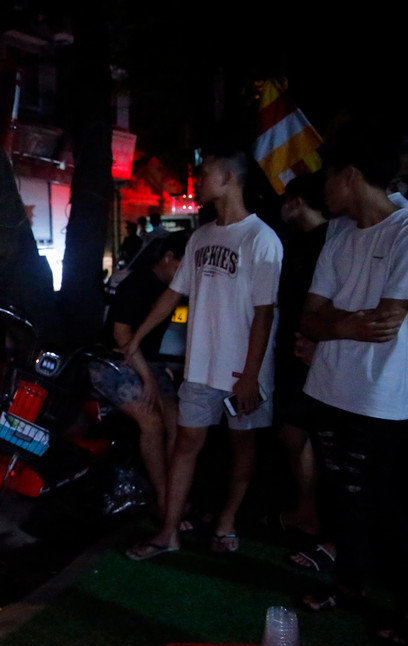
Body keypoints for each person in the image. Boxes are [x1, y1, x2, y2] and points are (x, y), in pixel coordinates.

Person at [123, 145, 283, 560]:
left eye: (206, 171)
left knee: (242, 443)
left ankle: (227, 520)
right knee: (186, 443)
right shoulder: (201, 236)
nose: (198, 179)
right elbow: (173, 293)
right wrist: (138, 336)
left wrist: (251, 375)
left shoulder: (261, 238)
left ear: (228, 178)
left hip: (243, 370)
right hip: (201, 366)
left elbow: (265, 313)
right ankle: (169, 532)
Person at [296, 122, 408, 646]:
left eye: (328, 175)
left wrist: (331, 323)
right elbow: (310, 317)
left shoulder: (404, 231)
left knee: (382, 505)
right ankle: (347, 585)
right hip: (327, 388)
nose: (323, 186)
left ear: (351, 176)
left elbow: (385, 321)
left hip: (379, 397)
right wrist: (344, 325)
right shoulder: (339, 234)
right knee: (341, 496)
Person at [92, 231, 189, 519]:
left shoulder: (173, 288)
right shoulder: (137, 284)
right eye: (183, 264)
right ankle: (163, 498)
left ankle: (175, 492)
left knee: (178, 424)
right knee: (152, 421)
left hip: (150, 363)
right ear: (168, 258)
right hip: (114, 362)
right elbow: (121, 335)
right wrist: (148, 379)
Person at [270, 173, 335, 570]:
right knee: (294, 433)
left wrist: (318, 342)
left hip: (316, 352)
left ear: (296, 202)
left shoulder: (333, 240)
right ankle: (307, 511)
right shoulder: (298, 241)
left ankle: (317, 519)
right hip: (295, 349)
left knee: (312, 437)